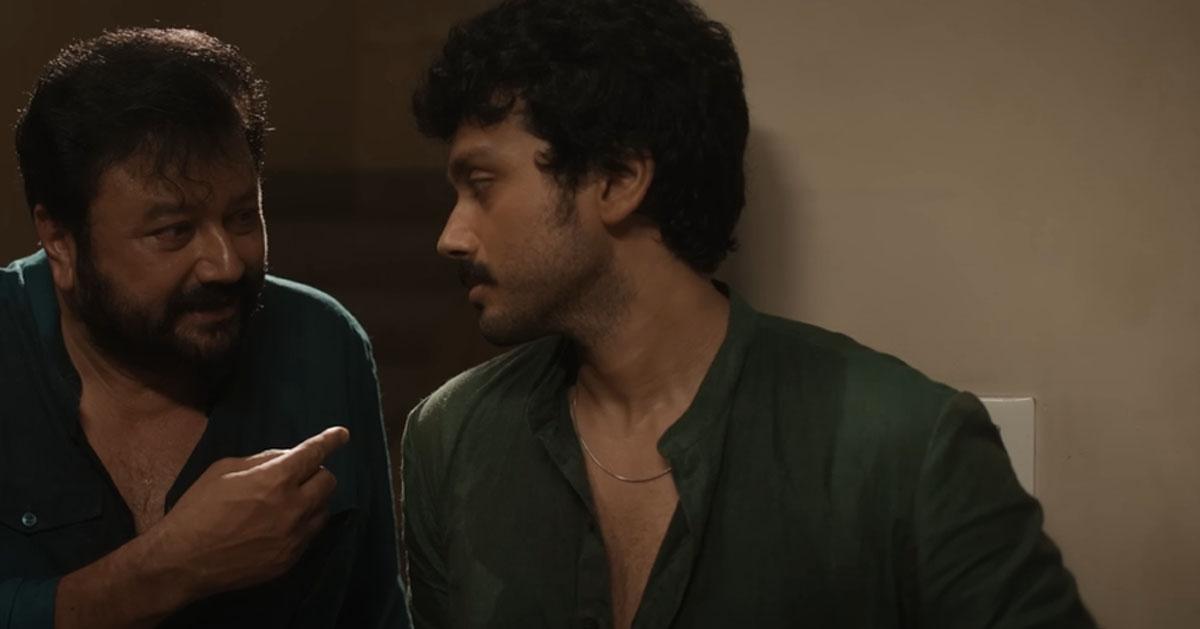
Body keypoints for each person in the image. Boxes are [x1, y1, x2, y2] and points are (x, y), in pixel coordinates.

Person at [401, 1, 1095, 627]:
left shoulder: (905, 447)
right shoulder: (453, 437)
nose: (450, 236)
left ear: (618, 179)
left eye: (482, 184)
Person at [0, 28, 406, 628]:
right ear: (60, 240)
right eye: (173, 231)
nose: (226, 265)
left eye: (243, 217)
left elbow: (375, 612)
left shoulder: (321, 342)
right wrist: (172, 567)